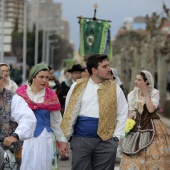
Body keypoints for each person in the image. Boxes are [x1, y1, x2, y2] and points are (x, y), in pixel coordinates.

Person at [61, 54, 128, 170]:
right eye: (105, 66)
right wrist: (65, 139)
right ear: (94, 70)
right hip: (81, 140)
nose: (109, 69)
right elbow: (68, 113)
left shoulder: (115, 88)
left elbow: (122, 113)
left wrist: (117, 138)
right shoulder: (77, 86)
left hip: (106, 142)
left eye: (108, 66)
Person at [16, 63, 69, 170]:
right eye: (41, 77)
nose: (44, 80)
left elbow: (57, 122)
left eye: (47, 78)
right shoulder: (20, 94)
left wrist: (63, 141)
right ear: (33, 77)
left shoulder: (51, 96)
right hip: (25, 139)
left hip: (45, 139)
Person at [120, 70, 170, 170]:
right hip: (136, 125)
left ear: (147, 81)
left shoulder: (154, 93)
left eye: (139, 80)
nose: (136, 82)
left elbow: (151, 109)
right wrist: (125, 131)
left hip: (152, 124)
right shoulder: (132, 94)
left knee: (155, 154)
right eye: (136, 79)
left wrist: (146, 94)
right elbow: (131, 113)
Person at [0, 69, 37, 169]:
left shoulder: (13, 98)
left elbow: (28, 118)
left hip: (6, 151)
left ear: (3, 80)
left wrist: (15, 136)